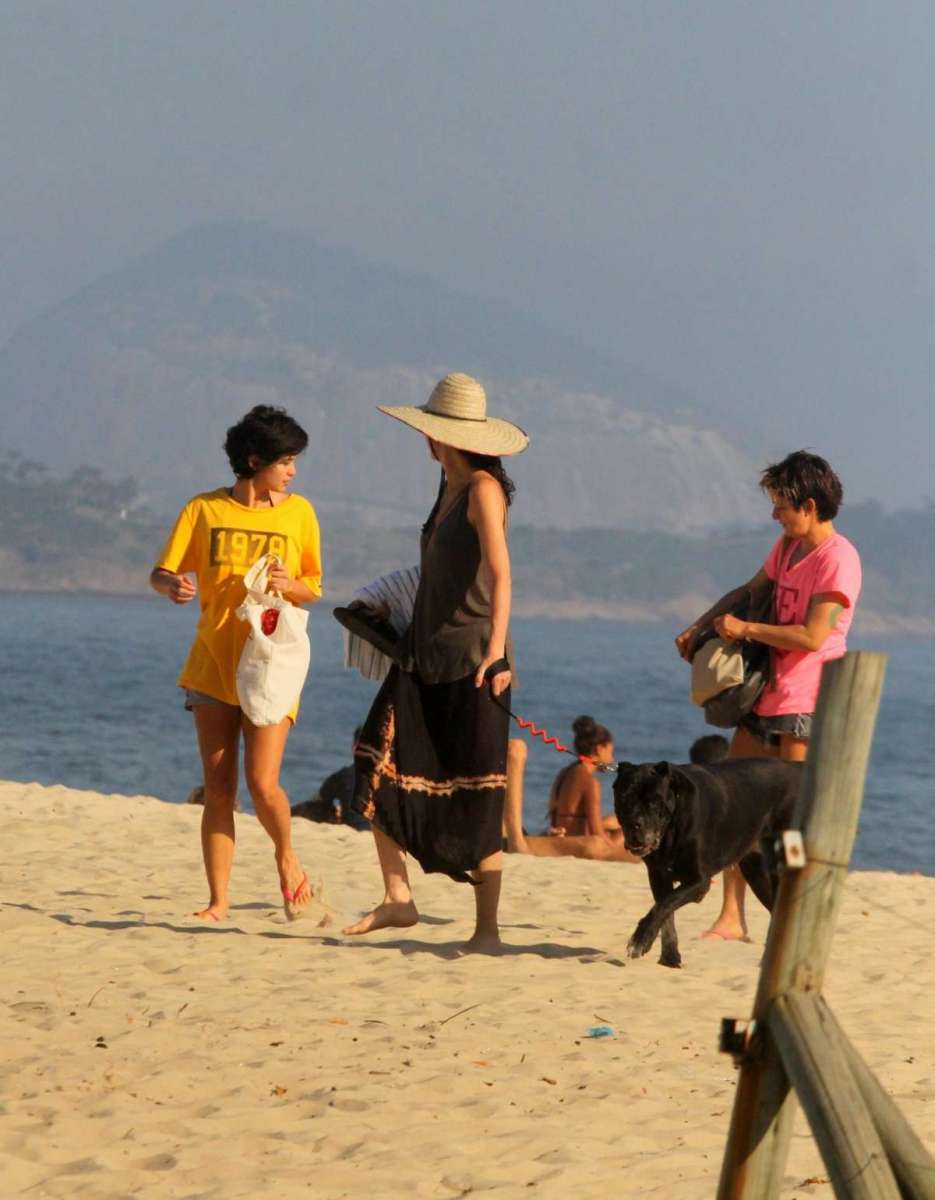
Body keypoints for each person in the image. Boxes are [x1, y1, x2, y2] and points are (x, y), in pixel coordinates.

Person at [343, 372, 528, 953]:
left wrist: (496, 652)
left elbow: (501, 574)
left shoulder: (482, 490)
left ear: (438, 436)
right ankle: (398, 898)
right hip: (423, 656)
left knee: (479, 791)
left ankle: (487, 931)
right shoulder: (447, 486)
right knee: (374, 760)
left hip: (474, 662)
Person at [675, 450, 861, 941]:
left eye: (782, 504)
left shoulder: (838, 558)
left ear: (810, 506)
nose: (775, 514)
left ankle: (793, 914)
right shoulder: (788, 547)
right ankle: (731, 916)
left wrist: (746, 630)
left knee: (791, 821)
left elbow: (813, 636)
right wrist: (700, 625)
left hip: (807, 703)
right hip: (764, 694)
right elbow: (748, 590)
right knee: (733, 805)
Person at [150, 405, 323, 922]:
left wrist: (288, 585)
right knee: (219, 786)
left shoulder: (299, 514)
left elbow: (312, 588)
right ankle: (218, 902)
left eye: (294, 460)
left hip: (270, 666)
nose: (292, 471)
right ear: (254, 460)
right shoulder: (203, 510)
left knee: (263, 783)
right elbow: (161, 572)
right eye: (285, 460)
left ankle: (286, 856)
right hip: (212, 664)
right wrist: (173, 585)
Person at [546, 716, 619, 837]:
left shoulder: (565, 773)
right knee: (622, 835)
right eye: (610, 753)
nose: (612, 759)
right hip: (576, 842)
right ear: (599, 749)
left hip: (561, 838)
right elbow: (597, 835)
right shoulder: (590, 782)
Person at [292, 726, 370, 830]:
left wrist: (335, 811)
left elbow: (317, 800)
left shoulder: (343, 776)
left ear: (354, 747)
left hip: (356, 829)